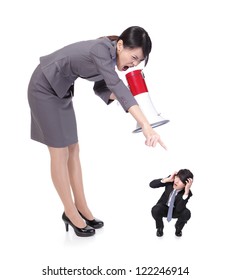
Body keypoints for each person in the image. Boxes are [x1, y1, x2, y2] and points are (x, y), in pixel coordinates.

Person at [28, 26, 166, 238]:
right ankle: (70, 212)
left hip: (61, 91)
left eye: (138, 61)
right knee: (59, 152)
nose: (134, 64)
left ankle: (81, 207)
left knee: (73, 150)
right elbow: (116, 85)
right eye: (134, 57)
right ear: (120, 45)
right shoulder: (101, 49)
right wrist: (145, 124)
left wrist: (137, 106)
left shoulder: (109, 58)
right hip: (44, 88)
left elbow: (102, 88)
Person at [149, 169, 193, 237]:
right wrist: (167, 180)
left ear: (186, 184)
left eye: (181, 180)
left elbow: (179, 209)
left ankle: (178, 228)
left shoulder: (187, 193)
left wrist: (186, 192)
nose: (177, 181)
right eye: (177, 177)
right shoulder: (170, 181)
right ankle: (160, 227)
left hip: (176, 211)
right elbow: (151, 184)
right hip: (164, 208)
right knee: (155, 209)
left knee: (187, 213)